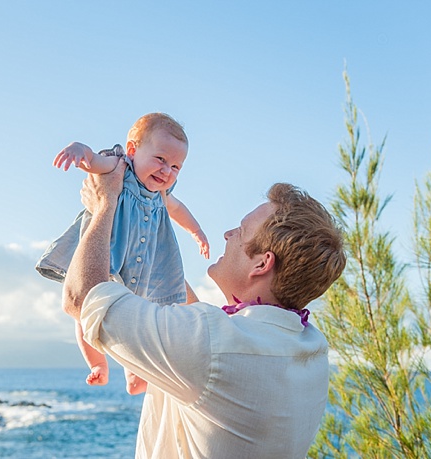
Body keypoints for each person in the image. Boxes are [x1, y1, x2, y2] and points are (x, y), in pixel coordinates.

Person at [63, 160, 346, 458]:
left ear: (262, 263)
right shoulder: (311, 348)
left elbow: (82, 298)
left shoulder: (212, 344)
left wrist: (104, 206)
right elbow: (204, 340)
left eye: (241, 230)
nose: (228, 234)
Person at [37, 113, 209, 394]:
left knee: (138, 313)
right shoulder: (119, 167)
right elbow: (94, 161)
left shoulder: (161, 192)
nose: (167, 171)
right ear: (132, 151)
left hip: (142, 264)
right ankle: (97, 364)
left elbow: (176, 208)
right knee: (87, 307)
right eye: (161, 159)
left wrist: (196, 231)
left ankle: (135, 371)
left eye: (176, 166)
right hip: (105, 254)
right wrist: (80, 150)